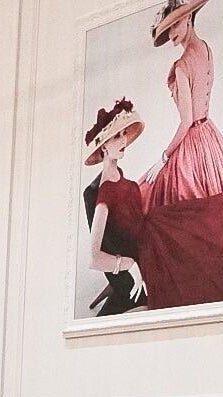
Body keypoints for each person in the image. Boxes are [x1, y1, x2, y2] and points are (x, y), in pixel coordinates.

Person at [145, 0, 223, 207]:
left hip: (193, 143)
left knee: (161, 198)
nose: (171, 35)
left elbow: (186, 121)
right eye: (167, 30)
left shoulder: (182, 66)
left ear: (188, 17)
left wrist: (164, 157)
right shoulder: (206, 48)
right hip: (210, 136)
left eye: (174, 25)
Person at [81, 98, 149, 317]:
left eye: (123, 134)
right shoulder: (103, 192)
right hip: (130, 270)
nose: (122, 140)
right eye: (115, 136)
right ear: (103, 145)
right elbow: (95, 258)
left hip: (145, 258)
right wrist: (128, 265)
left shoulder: (129, 185)